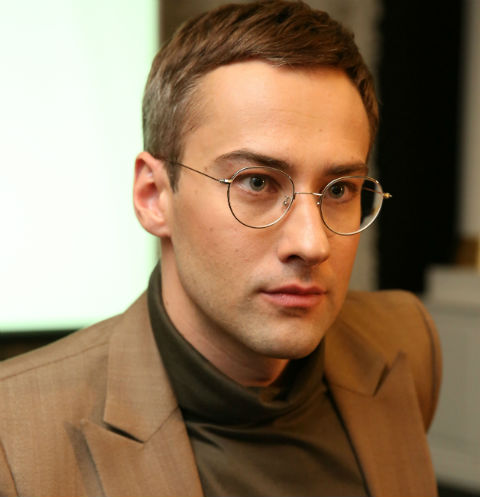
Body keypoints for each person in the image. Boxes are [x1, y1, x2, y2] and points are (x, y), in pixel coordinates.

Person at [0, 1, 441, 496]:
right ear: (153, 196)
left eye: (339, 189)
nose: (311, 243)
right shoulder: (14, 436)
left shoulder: (406, 342)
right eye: (256, 182)